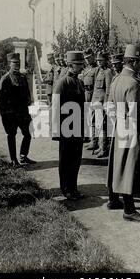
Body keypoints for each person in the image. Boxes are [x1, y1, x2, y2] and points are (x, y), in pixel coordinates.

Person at [106, 44, 140, 222]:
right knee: (129, 168)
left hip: (119, 126)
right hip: (131, 128)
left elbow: (109, 106)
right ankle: (129, 209)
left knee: (118, 163)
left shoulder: (117, 79)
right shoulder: (132, 83)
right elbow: (135, 113)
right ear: (133, 62)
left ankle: (113, 199)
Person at [52, 51, 86, 200]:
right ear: (70, 65)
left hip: (77, 126)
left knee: (76, 159)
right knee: (66, 159)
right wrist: (55, 130)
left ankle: (74, 188)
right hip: (66, 127)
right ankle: (66, 189)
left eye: (81, 64)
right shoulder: (62, 82)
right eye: (78, 64)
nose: (81, 67)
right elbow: (55, 107)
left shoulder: (79, 82)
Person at [0, 53, 36, 168]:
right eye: (14, 63)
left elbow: (27, 92)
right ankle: (13, 160)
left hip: (23, 112)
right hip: (11, 113)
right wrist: (4, 115)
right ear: (9, 64)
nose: (17, 65)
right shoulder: (5, 79)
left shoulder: (22, 77)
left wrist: (29, 100)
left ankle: (23, 156)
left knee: (28, 134)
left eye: (18, 63)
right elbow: (1, 100)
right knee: (11, 135)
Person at [91, 52, 114, 158]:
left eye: (101, 60)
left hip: (102, 102)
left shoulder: (108, 72)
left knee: (102, 125)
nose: (99, 62)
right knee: (98, 124)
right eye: (98, 60)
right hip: (96, 102)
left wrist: (106, 102)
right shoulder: (98, 71)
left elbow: (108, 89)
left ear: (106, 60)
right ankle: (100, 147)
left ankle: (104, 149)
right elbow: (96, 88)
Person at [82, 48, 100, 150]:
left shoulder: (97, 69)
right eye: (86, 58)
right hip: (86, 94)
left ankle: (95, 141)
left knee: (94, 118)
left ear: (93, 56)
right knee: (88, 118)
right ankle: (89, 138)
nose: (87, 60)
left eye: (89, 58)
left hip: (93, 94)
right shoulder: (86, 69)